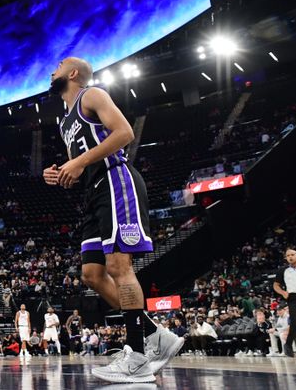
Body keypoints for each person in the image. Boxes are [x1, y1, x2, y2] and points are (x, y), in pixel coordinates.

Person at [44, 58, 182, 383]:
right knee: (92, 275)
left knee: (119, 267)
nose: (53, 68)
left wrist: (77, 161)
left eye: (60, 64)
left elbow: (124, 133)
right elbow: (80, 164)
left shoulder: (91, 96)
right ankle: (154, 334)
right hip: (92, 192)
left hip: (115, 180)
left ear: (73, 73)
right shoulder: (64, 122)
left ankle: (136, 357)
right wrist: (62, 171)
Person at [273, 246, 296, 357]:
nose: (290, 257)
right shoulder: (283, 270)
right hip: (293, 298)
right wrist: (283, 292)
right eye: (288, 255)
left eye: (292, 254)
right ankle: (288, 344)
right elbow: (276, 285)